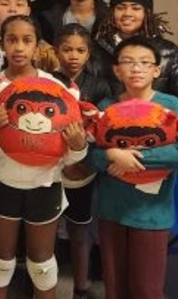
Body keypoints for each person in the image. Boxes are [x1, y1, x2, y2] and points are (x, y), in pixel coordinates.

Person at [0, 15, 87, 299]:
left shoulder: (59, 90)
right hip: (1, 182)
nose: (19, 47)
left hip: (45, 184)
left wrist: (78, 145)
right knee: (0, 259)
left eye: (27, 40)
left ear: (37, 46)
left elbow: (73, 156)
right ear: (2, 45)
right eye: (12, 40)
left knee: (42, 263)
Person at [88, 36, 178, 299]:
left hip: (152, 212)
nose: (136, 68)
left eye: (144, 63)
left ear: (156, 70)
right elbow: (90, 154)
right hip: (111, 209)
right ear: (117, 70)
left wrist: (130, 159)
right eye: (128, 62)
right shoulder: (106, 107)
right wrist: (111, 154)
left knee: (147, 288)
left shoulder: (169, 105)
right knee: (115, 286)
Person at [52, 24, 112, 299]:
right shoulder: (47, 80)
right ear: (56, 51)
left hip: (82, 168)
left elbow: (103, 127)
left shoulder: (99, 84)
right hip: (49, 164)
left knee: (80, 226)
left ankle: (81, 284)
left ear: (89, 54)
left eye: (80, 50)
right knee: (47, 226)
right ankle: (44, 281)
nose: (73, 56)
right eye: (67, 49)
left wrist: (82, 144)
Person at [93, 0, 178, 128]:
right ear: (112, 12)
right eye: (121, 7)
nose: (127, 13)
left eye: (136, 8)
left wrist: (169, 134)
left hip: (156, 134)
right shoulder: (95, 50)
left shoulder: (169, 52)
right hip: (110, 134)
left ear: (147, 13)